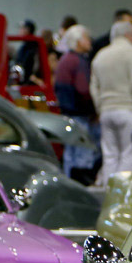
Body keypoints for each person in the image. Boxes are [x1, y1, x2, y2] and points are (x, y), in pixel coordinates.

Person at [90, 18, 132, 181]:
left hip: (106, 111)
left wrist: (100, 107)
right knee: (128, 153)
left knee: (110, 155)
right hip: (127, 109)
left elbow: (94, 87)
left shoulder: (100, 55)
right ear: (129, 35)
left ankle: (109, 192)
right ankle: (123, 194)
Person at [54, 24, 98, 181]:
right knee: (83, 152)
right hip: (80, 113)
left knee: (70, 154)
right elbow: (83, 90)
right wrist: (94, 109)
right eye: (86, 38)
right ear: (78, 41)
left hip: (67, 112)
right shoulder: (79, 62)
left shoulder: (65, 60)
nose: (89, 41)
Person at [11, 19, 43, 86]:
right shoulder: (24, 47)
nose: (20, 30)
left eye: (22, 28)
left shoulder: (34, 47)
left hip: (30, 83)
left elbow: (34, 68)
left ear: (27, 30)